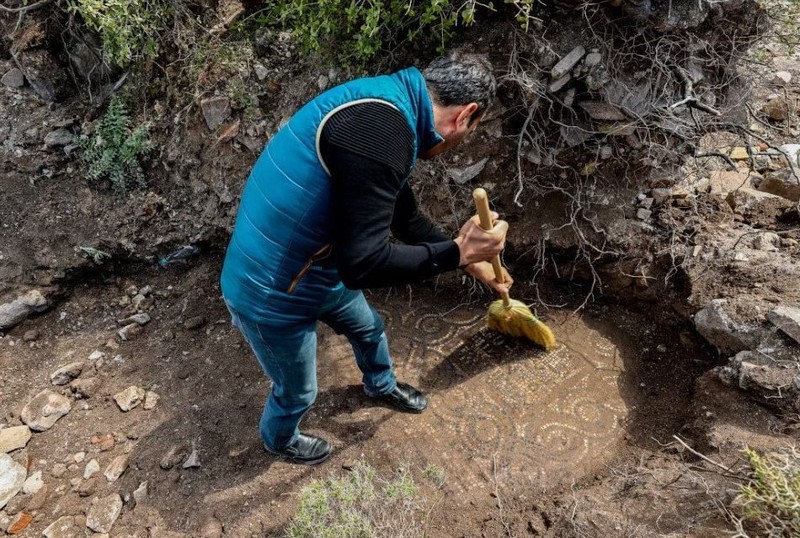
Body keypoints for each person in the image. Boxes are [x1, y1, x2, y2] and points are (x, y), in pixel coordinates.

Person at [220, 51, 512, 465]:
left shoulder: (389, 107)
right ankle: (279, 438)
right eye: (469, 133)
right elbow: (364, 264)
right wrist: (457, 251)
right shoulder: (382, 129)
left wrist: (471, 263)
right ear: (466, 115)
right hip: (268, 290)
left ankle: (380, 384)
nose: (456, 144)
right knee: (299, 390)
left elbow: (405, 218)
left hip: (316, 268)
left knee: (369, 328)